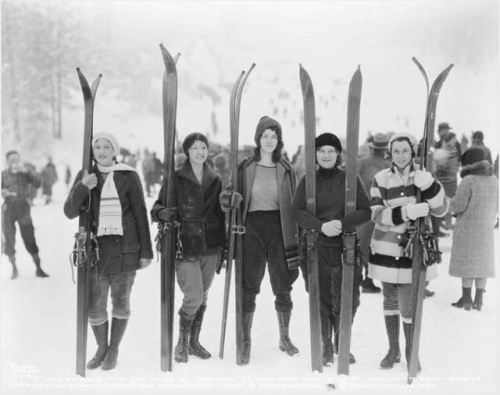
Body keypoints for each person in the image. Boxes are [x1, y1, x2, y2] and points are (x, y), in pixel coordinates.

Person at [64, 132, 153, 371]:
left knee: (121, 302)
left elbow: (140, 212)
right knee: (95, 305)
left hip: (126, 250)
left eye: (107, 146)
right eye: (98, 147)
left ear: (115, 150)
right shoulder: (85, 175)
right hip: (96, 253)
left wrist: (147, 250)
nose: (102, 151)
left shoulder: (128, 175)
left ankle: (113, 349)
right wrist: (83, 188)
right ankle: (101, 347)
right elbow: (69, 211)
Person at [220, 116, 300, 365]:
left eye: (274, 136)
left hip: (280, 228)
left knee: (282, 283)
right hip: (250, 227)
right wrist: (228, 199)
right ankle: (245, 341)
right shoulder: (245, 166)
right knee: (248, 285)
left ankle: (285, 337)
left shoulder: (286, 169)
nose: (269, 140)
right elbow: (228, 194)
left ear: (279, 140)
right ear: (258, 139)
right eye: (265, 135)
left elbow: (295, 203)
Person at [368, 132, 449, 371]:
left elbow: (442, 210)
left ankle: (410, 350)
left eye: (405, 150)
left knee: (408, 303)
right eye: (396, 151)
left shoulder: (424, 177)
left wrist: (430, 186)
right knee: (389, 299)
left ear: (413, 152)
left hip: (412, 250)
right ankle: (393, 349)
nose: (401, 155)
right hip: (385, 247)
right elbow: (376, 214)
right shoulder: (380, 178)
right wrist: (406, 212)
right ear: (390, 153)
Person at [293, 132, 371, 366]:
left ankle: (341, 343)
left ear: (338, 154)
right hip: (316, 247)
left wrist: (342, 224)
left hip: (345, 247)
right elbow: (296, 211)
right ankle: (326, 345)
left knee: (349, 298)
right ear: (315, 154)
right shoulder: (308, 180)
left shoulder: (349, 179)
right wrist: (320, 226)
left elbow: (365, 210)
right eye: (321, 150)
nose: (326, 155)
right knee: (322, 298)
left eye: (331, 151)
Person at [151, 133, 226, 363]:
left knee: (202, 295)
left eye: (204, 147)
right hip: (184, 243)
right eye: (195, 148)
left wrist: (224, 248)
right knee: (193, 295)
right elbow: (156, 208)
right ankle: (182, 343)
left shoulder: (215, 179)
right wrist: (161, 213)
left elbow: (221, 215)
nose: (200, 152)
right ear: (187, 151)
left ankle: (194, 342)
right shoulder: (175, 178)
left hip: (211, 244)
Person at [449, 147, 497, 311]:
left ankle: (467, 298)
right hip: (486, 228)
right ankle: (479, 300)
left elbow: (459, 205)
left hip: (467, 227)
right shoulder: (494, 180)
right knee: (482, 263)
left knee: (467, 262)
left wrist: (447, 204)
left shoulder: (468, 180)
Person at [2, 150, 49, 279]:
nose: (14, 162)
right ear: (7, 161)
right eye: (12, 160)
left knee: (29, 237)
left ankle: (38, 268)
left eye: (16, 159)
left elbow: (38, 183)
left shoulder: (26, 172)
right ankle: (14, 268)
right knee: (9, 239)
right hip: (8, 208)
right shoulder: (3, 174)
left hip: (23, 207)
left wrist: (27, 171)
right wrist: (3, 192)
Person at [357, 132, 391, 293]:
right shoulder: (388, 166)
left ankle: (363, 278)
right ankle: (369, 279)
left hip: (362, 207)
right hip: (379, 210)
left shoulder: (362, 163)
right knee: (375, 244)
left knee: (362, 243)